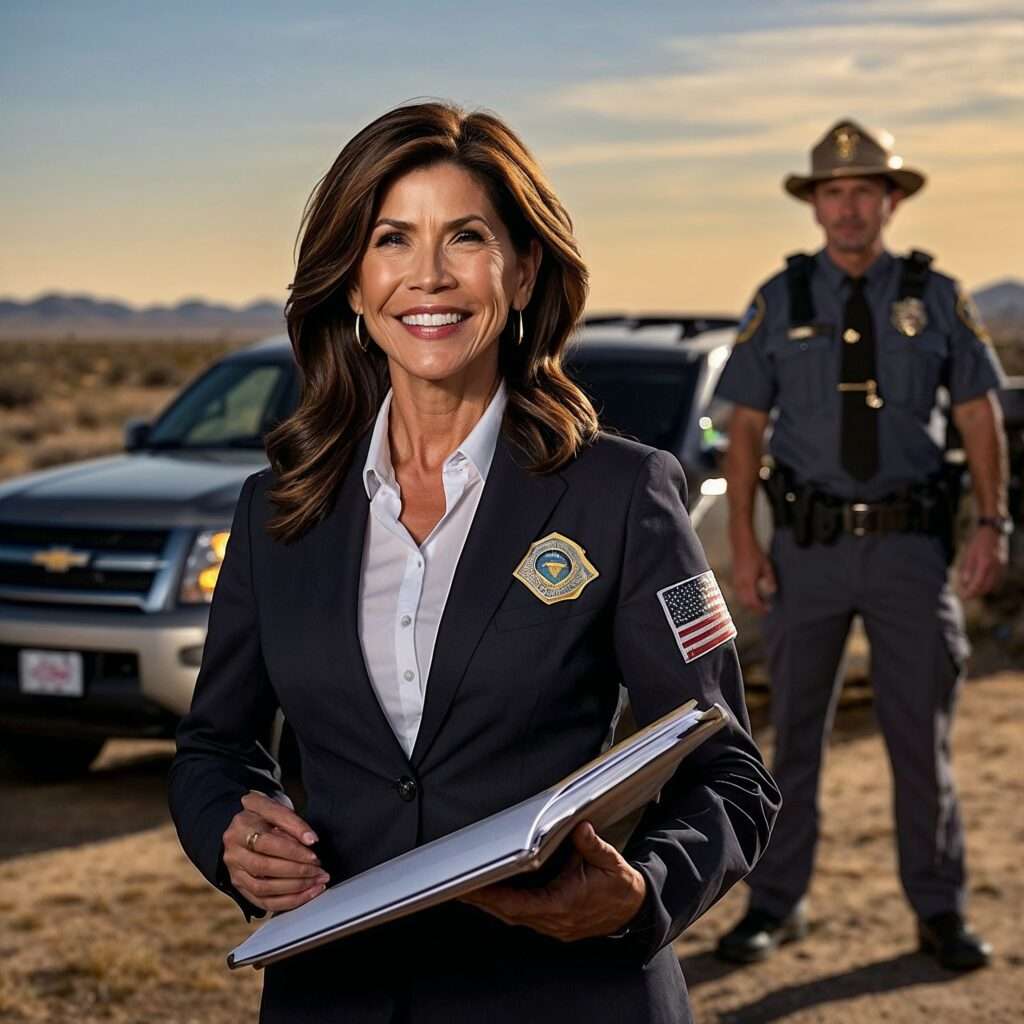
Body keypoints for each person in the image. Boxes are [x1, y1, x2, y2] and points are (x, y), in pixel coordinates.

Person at [168, 101, 779, 1024]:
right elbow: (216, 747)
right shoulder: (278, 512)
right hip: (338, 996)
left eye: (466, 237)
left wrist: (641, 893)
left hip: (568, 995)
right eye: (391, 239)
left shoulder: (620, 493)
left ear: (523, 271)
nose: (428, 276)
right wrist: (231, 833)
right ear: (353, 283)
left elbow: (729, 770)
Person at [713, 119, 1009, 970]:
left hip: (912, 552)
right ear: (815, 207)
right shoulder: (780, 300)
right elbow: (745, 429)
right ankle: (776, 903)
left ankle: (939, 909)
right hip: (808, 552)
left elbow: (979, 413)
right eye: (832, 193)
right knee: (792, 736)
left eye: (863, 191)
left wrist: (992, 523)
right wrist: (745, 540)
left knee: (921, 736)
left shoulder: (938, 298)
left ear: (890, 200)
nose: (848, 208)